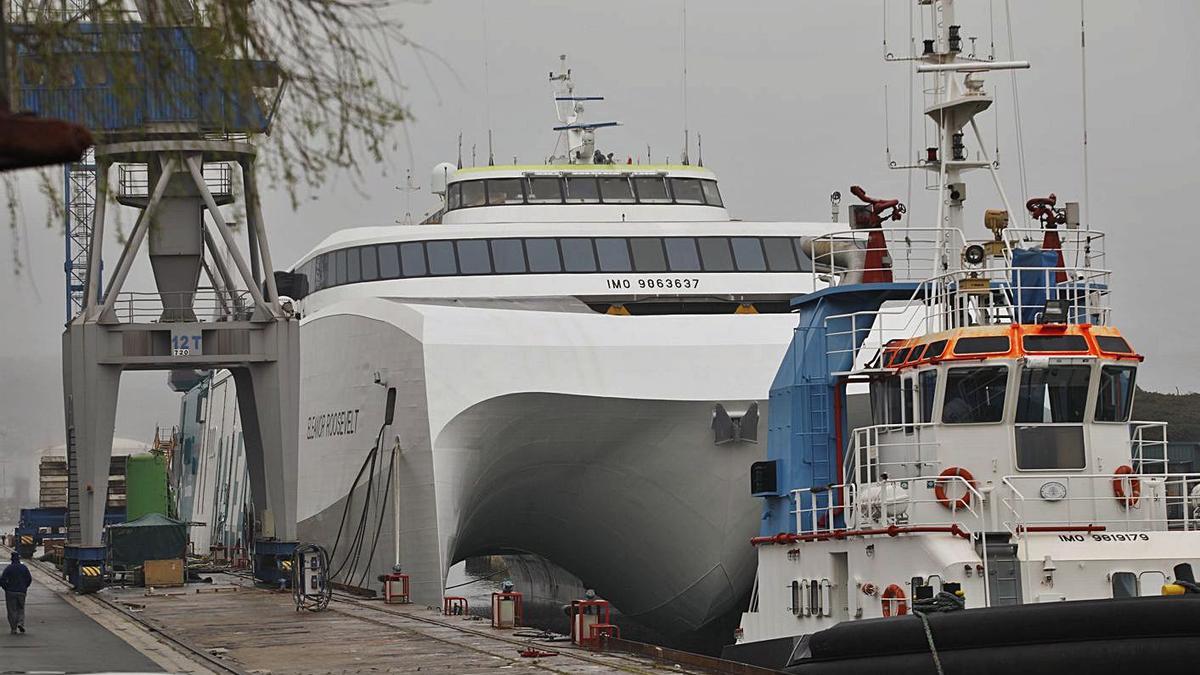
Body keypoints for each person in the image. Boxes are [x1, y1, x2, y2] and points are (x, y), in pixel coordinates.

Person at [1, 551, 33, 634]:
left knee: (12, 610)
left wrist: (6, 588)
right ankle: (20, 623)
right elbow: (29, 579)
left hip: (10, 592)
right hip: (21, 591)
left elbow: (2, 580)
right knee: (21, 608)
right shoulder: (24, 567)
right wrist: (25, 587)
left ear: (11, 559)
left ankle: (13, 628)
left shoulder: (8, 568)